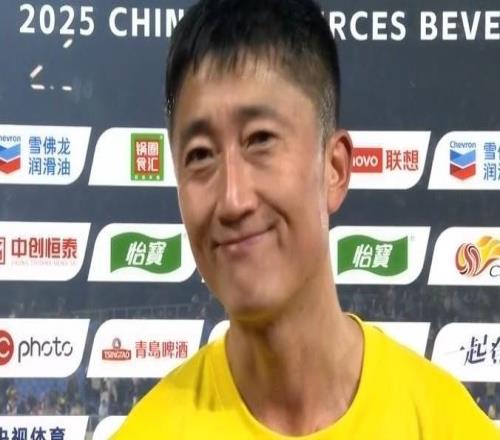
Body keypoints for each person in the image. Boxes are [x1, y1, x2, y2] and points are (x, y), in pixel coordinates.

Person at [112, 0, 500, 438]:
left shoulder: (446, 423)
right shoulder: (148, 431)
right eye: (200, 155)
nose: (233, 200)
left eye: (260, 139)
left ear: (334, 168)